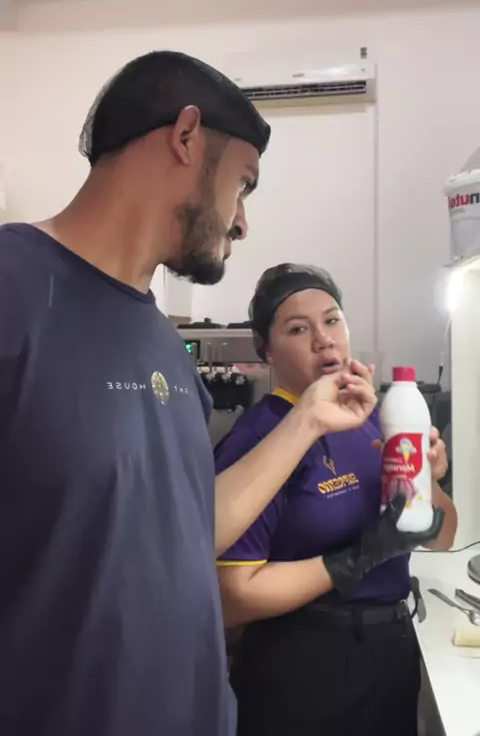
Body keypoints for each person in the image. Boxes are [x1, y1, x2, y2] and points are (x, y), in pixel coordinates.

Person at [0, 52, 391, 736]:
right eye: (243, 184)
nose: (242, 223)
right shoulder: (14, 287)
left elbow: (188, 524)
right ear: (185, 138)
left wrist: (307, 420)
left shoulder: (160, 339)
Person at [215, 263, 457, 736]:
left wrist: (431, 482)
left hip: (389, 652)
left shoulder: (372, 418)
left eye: (332, 320)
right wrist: (355, 559)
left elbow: (442, 538)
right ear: (266, 349)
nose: (323, 340)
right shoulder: (258, 440)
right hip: (304, 666)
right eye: (298, 329)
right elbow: (232, 599)